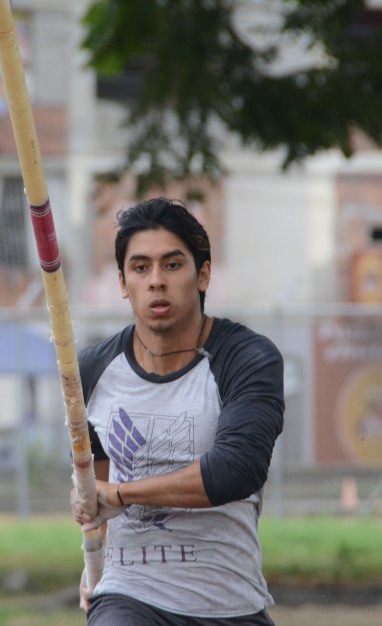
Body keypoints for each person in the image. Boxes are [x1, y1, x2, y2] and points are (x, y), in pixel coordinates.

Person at [72, 197, 285, 625]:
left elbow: (236, 470)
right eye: (140, 268)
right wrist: (95, 557)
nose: (155, 281)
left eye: (172, 265)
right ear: (122, 281)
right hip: (129, 597)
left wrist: (122, 494)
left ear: (202, 274)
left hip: (229, 602)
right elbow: (97, 480)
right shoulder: (92, 371)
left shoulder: (247, 358)